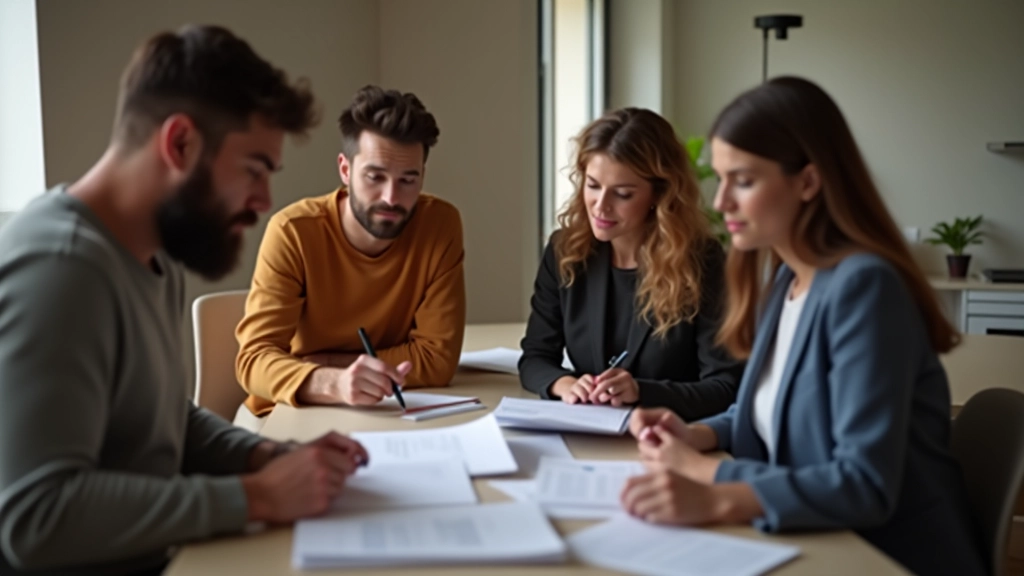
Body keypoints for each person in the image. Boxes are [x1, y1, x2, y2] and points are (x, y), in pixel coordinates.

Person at [0, 26, 369, 576]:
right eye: (253, 170)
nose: (264, 201)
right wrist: (256, 497)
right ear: (180, 144)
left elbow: (160, 419)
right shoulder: (61, 269)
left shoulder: (156, 254)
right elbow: (34, 518)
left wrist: (262, 456)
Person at [621, 77, 986, 575]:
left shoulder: (865, 288)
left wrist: (713, 483)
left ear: (808, 182)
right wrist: (695, 434)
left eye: (743, 181)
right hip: (815, 538)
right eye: (721, 179)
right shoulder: (791, 276)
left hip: (883, 555)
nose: (722, 200)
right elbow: (767, 412)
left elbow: (863, 485)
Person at [234, 85, 466, 427]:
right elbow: (253, 360)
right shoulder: (293, 231)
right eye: (375, 176)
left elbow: (436, 360)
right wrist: (333, 382)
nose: (391, 197)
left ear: (422, 178)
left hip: (391, 410)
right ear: (345, 170)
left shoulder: (440, 225)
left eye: (408, 180)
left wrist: (327, 360)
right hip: (295, 411)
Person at [519, 108, 743, 421]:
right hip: (587, 432)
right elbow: (535, 358)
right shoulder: (565, 250)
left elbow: (725, 385)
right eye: (593, 185)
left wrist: (641, 391)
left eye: (622, 193)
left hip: (670, 437)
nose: (601, 205)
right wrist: (565, 384)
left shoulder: (701, 261)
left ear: (659, 194)